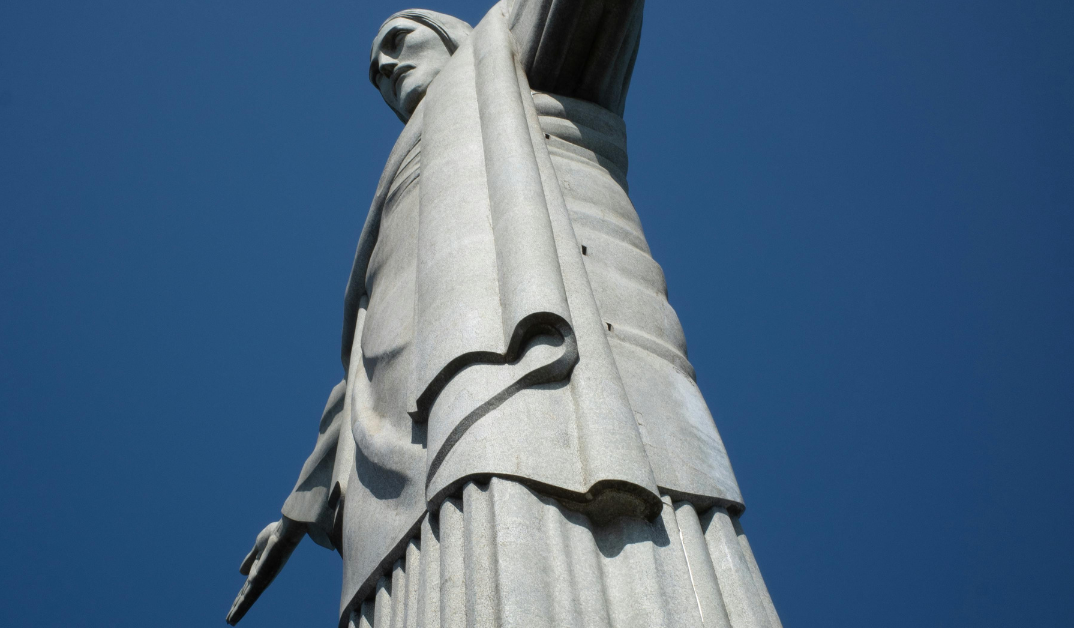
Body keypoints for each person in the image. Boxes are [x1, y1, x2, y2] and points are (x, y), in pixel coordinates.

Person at [229, 2, 782, 627]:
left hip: (522, 354)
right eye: (376, 72)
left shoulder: (509, 59)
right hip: (391, 441)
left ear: (448, 34)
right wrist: (299, 513)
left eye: (397, 40)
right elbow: (354, 380)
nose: (384, 66)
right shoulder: (389, 199)